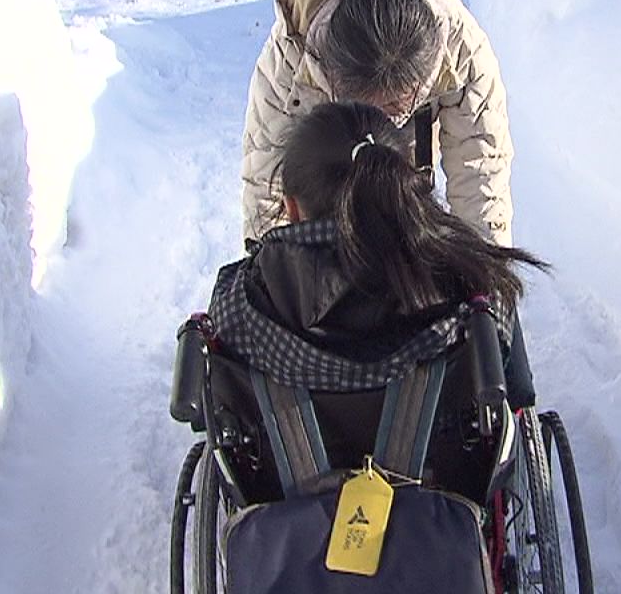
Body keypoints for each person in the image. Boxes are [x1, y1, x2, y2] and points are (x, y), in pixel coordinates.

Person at [210, 101, 543, 407]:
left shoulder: (239, 302)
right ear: (402, 188)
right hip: (445, 452)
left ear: (291, 208)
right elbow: (516, 396)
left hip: (284, 452)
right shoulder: (472, 281)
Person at [241, 0, 513, 250]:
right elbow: (266, 189)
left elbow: (480, 176)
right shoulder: (288, 65)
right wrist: (273, 267)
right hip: (330, 169)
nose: (382, 123)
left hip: (410, 167)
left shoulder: (461, 50)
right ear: (334, 79)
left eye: (396, 105)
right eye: (371, 108)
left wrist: (483, 269)